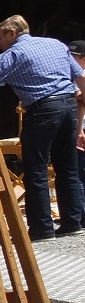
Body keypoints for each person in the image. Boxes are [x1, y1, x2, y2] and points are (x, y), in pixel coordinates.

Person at [0, 17, 85, 241]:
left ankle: (42, 229)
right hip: (68, 106)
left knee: (36, 169)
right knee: (67, 167)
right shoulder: (56, 45)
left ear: (12, 33)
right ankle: (72, 222)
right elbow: (81, 79)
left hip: (42, 109)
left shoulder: (13, 54)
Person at [70, 41, 85, 201]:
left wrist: (78, 129)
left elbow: (80, 99)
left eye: (73, 56)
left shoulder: (78, 75)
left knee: (78, 170)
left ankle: (81, 213)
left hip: (80, 127)